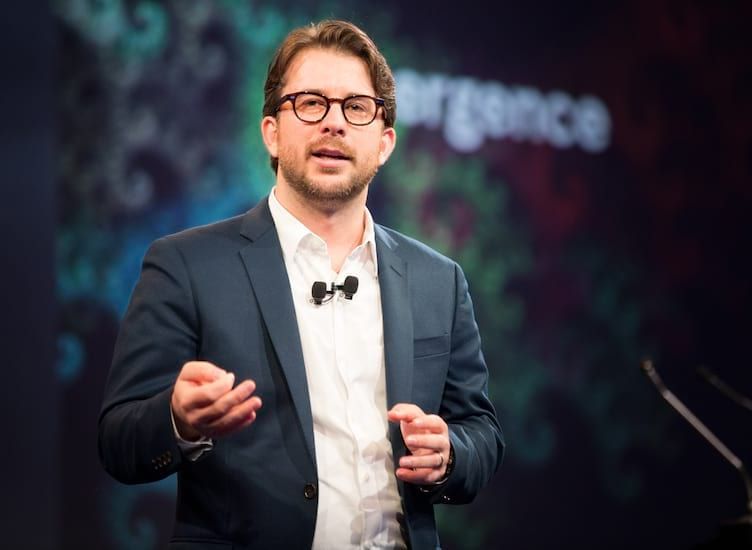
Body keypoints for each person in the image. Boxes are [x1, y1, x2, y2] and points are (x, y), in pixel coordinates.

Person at [98, 19, 503, 550]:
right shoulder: (186, 265)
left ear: (384, 143)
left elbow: (480, 431)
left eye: (356, 107)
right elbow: (119, 440)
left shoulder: (439, 280)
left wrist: (449, 454)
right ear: (272, 132)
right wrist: (178, 420)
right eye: (311, 103)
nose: (334, 123)